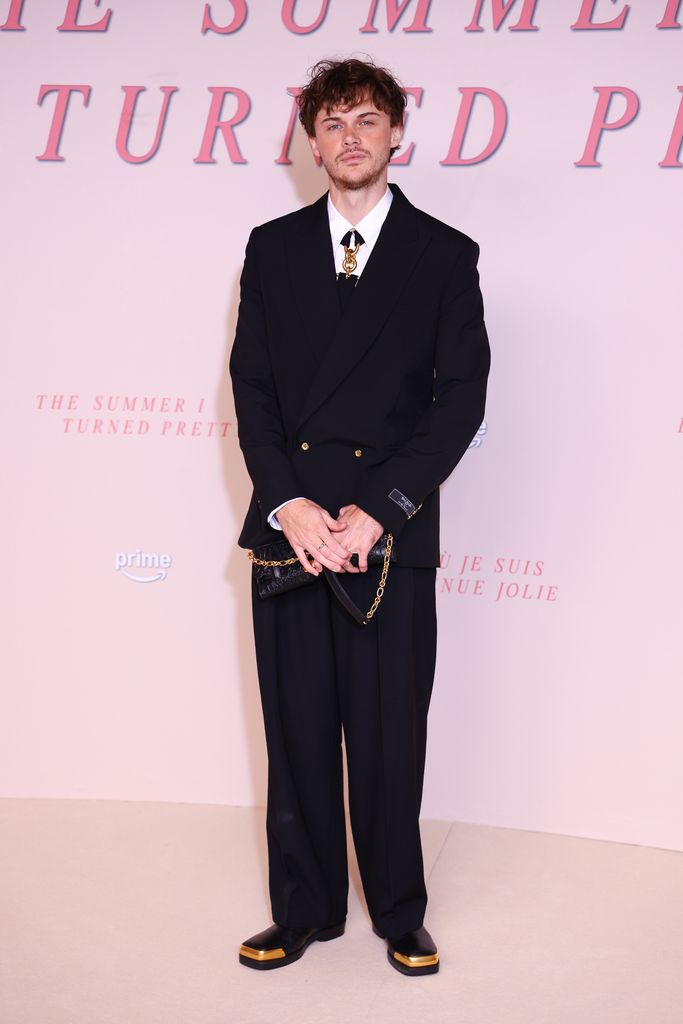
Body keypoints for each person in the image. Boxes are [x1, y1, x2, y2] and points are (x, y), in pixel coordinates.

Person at [229, 57, 490, 976]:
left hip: (387, 532)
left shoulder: (444, 254)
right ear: (310, 140)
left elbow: (458, 402)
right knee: (296, 731)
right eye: (332, 121)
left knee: (388, 736)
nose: (350, 137)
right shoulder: (270, 247)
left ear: (395, 135)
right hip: (290, 530)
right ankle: (301, 910)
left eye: (367, 120)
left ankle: (398, 911)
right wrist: (290, 502)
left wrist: (380, 509)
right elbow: (251, 390)